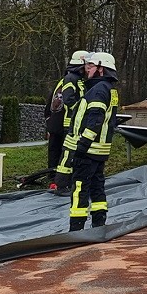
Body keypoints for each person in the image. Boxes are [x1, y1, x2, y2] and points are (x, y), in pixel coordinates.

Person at [65, 52, 120, 231]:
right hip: (99, 151)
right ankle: (98, 224)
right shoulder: (108, 89)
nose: (87, 70)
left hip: (88, 150)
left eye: (91, 66)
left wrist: (82, 145)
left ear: (101, 69)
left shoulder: (98, 90)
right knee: (97, 187)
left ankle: (76, 228)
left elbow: (95, 119)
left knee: (80, 187)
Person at [48, 50, 91, 195]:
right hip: (69, 124)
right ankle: (60, 184)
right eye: (87, 65)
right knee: (67, 155)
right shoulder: (71, 79)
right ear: (81, 64)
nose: (88, 68)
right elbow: (68, 100)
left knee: (69, 155)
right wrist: (84, 110)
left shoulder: (76, 80)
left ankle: (65, 182)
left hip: (73, 123)